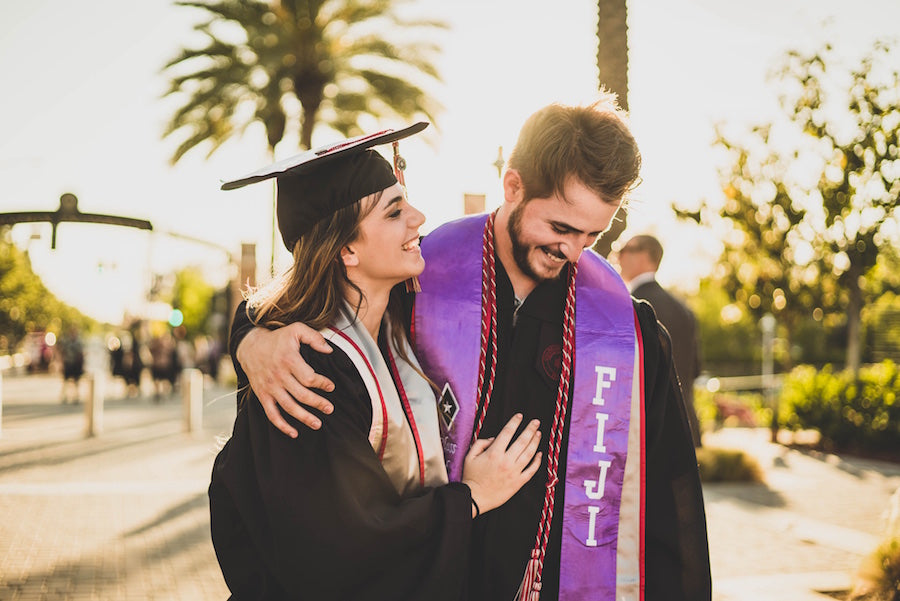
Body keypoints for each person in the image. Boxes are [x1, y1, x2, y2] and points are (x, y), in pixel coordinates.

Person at [231, 98, 712, 600]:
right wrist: (250, 338)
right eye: (560, 228)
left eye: (593, 235)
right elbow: (308, 294)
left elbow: (667, 503)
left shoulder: (624, 330)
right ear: (513, 186)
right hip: (427, 577)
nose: (573, 251)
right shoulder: (420, 276)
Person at [210, 124, 543, 600]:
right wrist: (472, 498)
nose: (419, 218)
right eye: (395, 211)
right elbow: (344, 546)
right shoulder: (309, 373)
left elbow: (259, 310)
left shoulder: (398, 320)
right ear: (346, 249)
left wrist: (247, 336)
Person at [616, 234, 703, 447]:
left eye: (624, 249)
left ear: (644, 257)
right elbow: (696, 368)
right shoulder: (684, 310)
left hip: (641, 432)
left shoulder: (627, 306)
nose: (618, 256)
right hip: (683, 427)